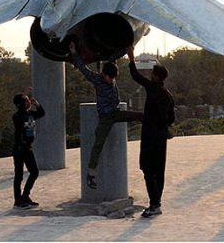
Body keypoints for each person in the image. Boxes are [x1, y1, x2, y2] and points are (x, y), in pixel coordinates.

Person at [69, 41, 143, 189]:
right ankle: (91, 174)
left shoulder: (111, 69)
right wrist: (74, 54)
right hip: (105, 118)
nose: (111, 80)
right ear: (104, 75)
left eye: (113, 78)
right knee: (98, 145)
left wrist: (126, 48)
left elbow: (113, 56)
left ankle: (163, 129)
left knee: (141, 116)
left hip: (116, 112)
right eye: (110, 78)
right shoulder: (97, 79)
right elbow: (83, 68)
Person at [127, 46, 175, 218]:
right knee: (158, 170)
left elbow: (135, 76)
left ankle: (154, 204)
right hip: (161, 137)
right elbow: (171, 119)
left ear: (156, 77)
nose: (150, 76)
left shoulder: (152, 88)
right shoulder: (168, 95)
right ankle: (157, 202)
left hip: (149, 136)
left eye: (152, 74)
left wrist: (131, 57)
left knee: (147, 169)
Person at [12, 86, 45, 209]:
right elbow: (19, 112)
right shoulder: (18, 117)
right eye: (26, 101)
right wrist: (23, 95)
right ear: (20, 104)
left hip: (28, 149)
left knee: (34, 172)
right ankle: (18, 200)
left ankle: (25, 196)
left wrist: (37, 104)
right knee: (19, 175)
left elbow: (42, 113)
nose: (28, 102)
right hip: (19, 149)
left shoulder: (30, 114)